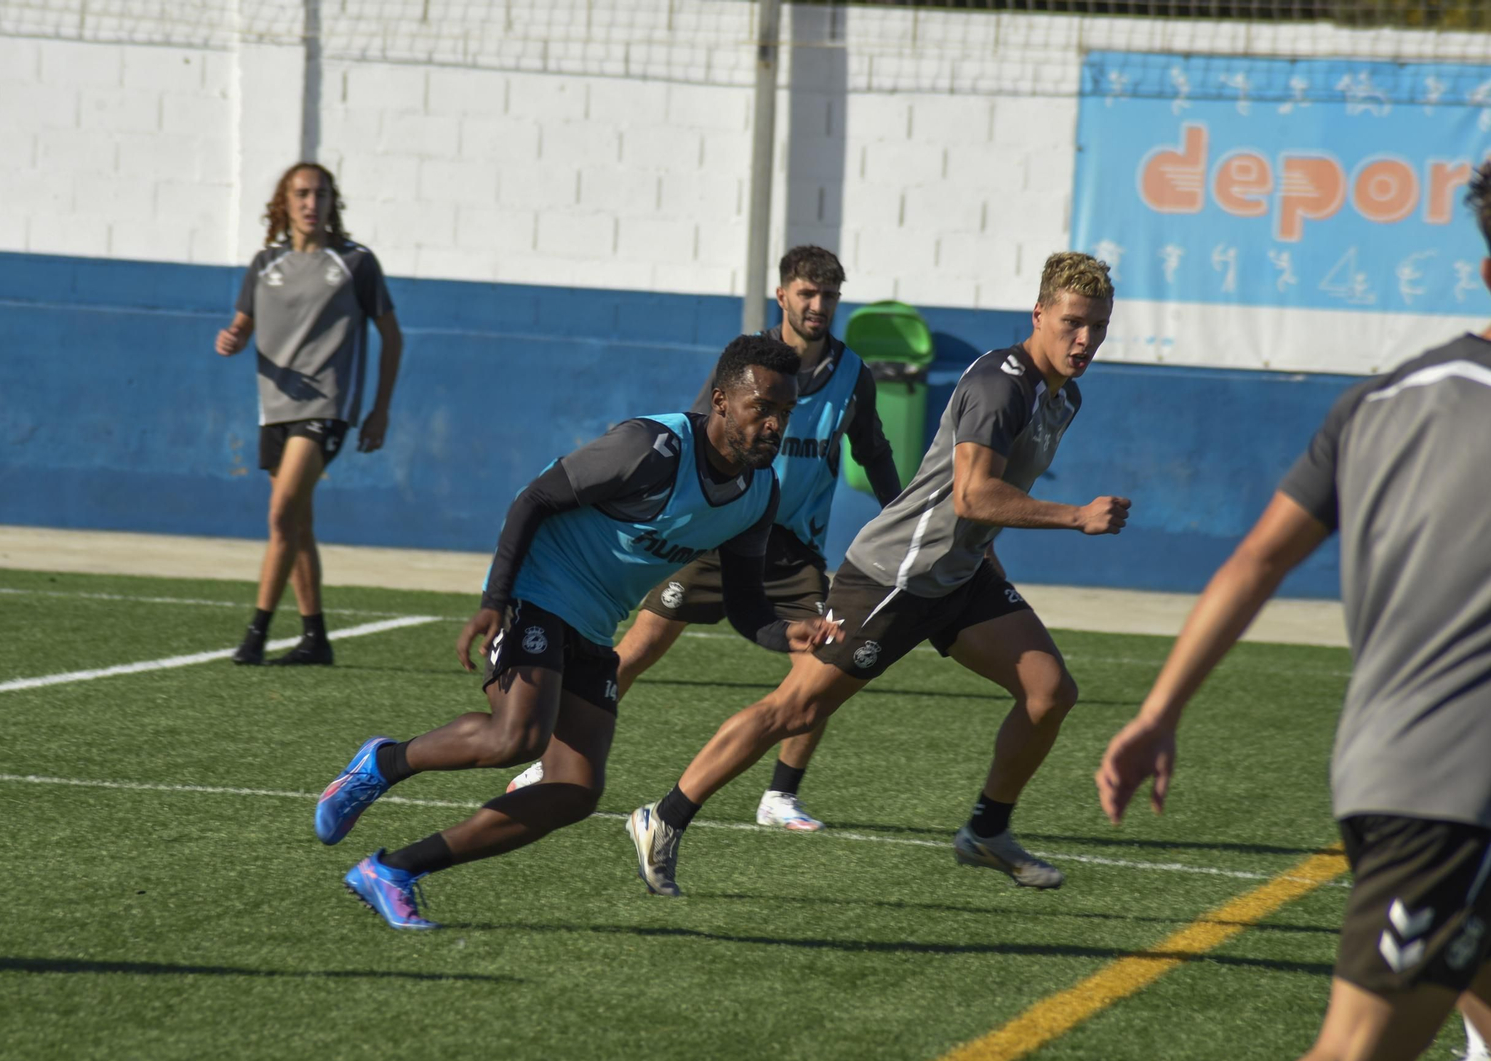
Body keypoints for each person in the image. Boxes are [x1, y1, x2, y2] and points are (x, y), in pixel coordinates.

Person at [1096, 165, 1491, 1061]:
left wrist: (1161, 712)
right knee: (1352, 1056)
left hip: (1389, 772)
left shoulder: (1378, 402)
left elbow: (1257, 559)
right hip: (1449, 792)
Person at [625, 252, 1130, 897]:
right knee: (794, 708)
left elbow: (976, 504)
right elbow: (972, 495)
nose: (1084, 340)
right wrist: (1076, 515)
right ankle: (662, 819)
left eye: (1098, 327)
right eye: (1072, 323)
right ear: (1039, 314)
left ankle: (987, 830)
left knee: (1050, 692)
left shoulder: (1064, 396)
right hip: (895, 576)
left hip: (959, 574)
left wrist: (986, 556)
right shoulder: (1001, 386)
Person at [312, 334, 842, 930]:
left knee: (576, 788)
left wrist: (785, 634)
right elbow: (534, 498)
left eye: (785, 413)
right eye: (762, 409)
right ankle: (383, 764)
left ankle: (394, 870)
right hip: (538, 587)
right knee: (518, 739)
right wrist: (495, 601)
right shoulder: (653, 447)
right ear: (721, 400)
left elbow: (746, 606)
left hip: (593, 620)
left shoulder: (758, 494)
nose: (775, 425)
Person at [505, 245, 902, 832]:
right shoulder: (744, 368)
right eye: (807, 293)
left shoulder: (852, 376)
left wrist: (899, 517)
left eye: (830, 296)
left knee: (820, 664)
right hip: (719, 534)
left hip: (793, 550)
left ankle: (780, 797)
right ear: (783, 295)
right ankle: (550, 760)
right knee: (636, 650)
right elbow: (697, 442)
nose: (818, 306)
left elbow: (874, 452)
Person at [216, 161, 402, 667]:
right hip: (274, 409)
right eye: (300, 193)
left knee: (280, 514)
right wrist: (231, 339)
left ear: (331, 202)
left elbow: (392, 337)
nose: (310, 203)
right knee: (297, 524)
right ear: (283, 201)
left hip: (327, 407)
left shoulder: (355, 263)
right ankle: (315, 638)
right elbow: (240, 327)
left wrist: (379, 410)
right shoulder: (264, 264)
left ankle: (255, 635)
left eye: (320, 194)